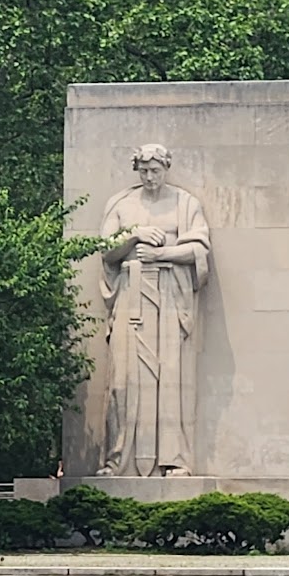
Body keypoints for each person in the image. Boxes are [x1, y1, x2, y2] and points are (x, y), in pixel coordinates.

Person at [97, 144, 213, 478]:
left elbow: (199, 249)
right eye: (144, 171)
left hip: (169, 299)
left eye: (156, 170)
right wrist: (133, 235)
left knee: (170, 380)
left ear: (165, 169)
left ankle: (173, 460)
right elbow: (106, 250)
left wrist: (161, 254)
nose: (150, 177)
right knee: (121, 381)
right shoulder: (121, 204)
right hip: (129, 297)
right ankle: (116, 460)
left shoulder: (185, 203)